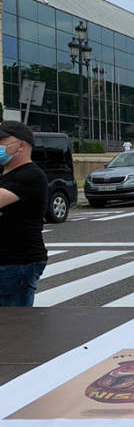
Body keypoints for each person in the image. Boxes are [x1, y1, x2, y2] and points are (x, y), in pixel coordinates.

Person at [0, 121, 48, 307]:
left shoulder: (31, 175)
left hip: (17, 262)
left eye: (2, 140)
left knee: (15, 326)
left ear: (21, 146)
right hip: (7, 261)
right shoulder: (5, 175)